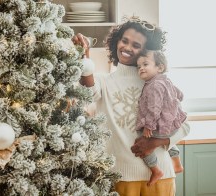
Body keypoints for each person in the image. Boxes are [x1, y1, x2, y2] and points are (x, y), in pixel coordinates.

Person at [72, 16, 190, 196]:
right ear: (116, 41)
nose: (127, 48)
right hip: (119, 176)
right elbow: (88, 92)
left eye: (136, 45)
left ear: (146, 50)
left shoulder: (159, 82)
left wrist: (156, 142)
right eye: (124, 41)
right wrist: (84, 56)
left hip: (161, 176)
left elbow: (185, 126)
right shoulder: (103, 81)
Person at [136, 50, 187, 186]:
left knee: (142, 144)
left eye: (145, 64)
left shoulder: (154, 86)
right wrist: (177, 98)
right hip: (173, 124)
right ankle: (177, 163)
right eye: (139, 66)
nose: (141, 68)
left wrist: (148, 126)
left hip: (160, 124)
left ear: (160, 67)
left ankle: (156, 170)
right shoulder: (165, 80)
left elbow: (154, 108)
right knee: (167, 137)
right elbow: (179, 94)